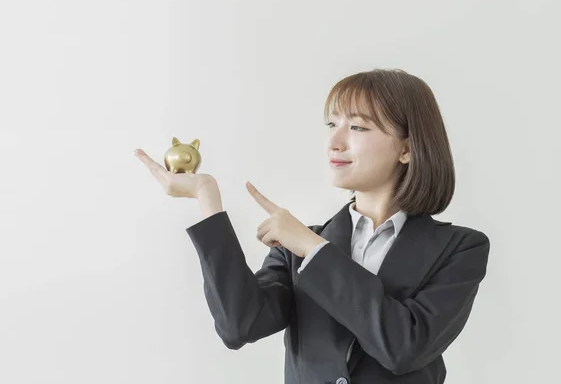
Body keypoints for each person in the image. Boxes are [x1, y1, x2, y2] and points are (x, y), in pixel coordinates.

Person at [134, 68, 491, 384]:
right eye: (332, 124)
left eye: (358, 126)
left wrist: (314, 249)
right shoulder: (297, 245)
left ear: (407, 149)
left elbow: (405, 347)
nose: (335, 142)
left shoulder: (460, 248)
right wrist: (207, 199)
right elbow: (239, 326)